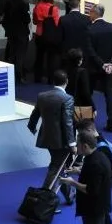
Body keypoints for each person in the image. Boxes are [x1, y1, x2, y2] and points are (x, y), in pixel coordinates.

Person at [60, 132, 112, 224]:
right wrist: (78, 171)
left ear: (84, 145)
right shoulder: (98, 157)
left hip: (94, 209)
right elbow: (93, 178)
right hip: (99, 207)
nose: (76, 147)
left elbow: (90, 189)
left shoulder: (95, 163)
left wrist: (72, 182)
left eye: (77, 144)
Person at [27, 70, 76, 205]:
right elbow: (67, 122)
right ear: (66, 81)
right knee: (56, 168)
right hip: (61, 141)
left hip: (46, 137)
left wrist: (32, 127)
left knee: (60, 166)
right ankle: (45, 200)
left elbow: (35, 114)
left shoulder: (42, 96)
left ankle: (70, 195)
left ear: (53, 81)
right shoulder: (67, 98)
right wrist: (72, 144)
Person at [85, 4, 112, 133]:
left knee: (87, 93)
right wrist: (110, 63)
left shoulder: (90, 29)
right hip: (109, 69)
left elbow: (90, 51)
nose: (89, 14)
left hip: (93, 69)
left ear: (95, 13)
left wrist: (102, 64)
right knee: (109, 95)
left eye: (90, 12)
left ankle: (87, 121)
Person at [3, 0, 31, 84]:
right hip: (20, 28)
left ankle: (11, 75)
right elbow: (24, 10)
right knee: (20, 53)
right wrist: (28, 20)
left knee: (13, 52)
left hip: (10, 27)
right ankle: (20, 76)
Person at [32, 0, 61, 84]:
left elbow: (35, 21)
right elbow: (57, 24)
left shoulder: (37, 6)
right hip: (51, 37)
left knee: (39, 57)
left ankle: (37, 78)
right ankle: (50, 79)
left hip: (39, 35)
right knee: (51, 58)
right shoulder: (54, 9)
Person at [65, 49, 95, 123]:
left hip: (66, 105)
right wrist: (93, 108)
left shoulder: (65, 71)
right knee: (86, 126)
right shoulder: (82, 72)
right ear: (79, 60)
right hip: (78, 107)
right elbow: (86, 93)